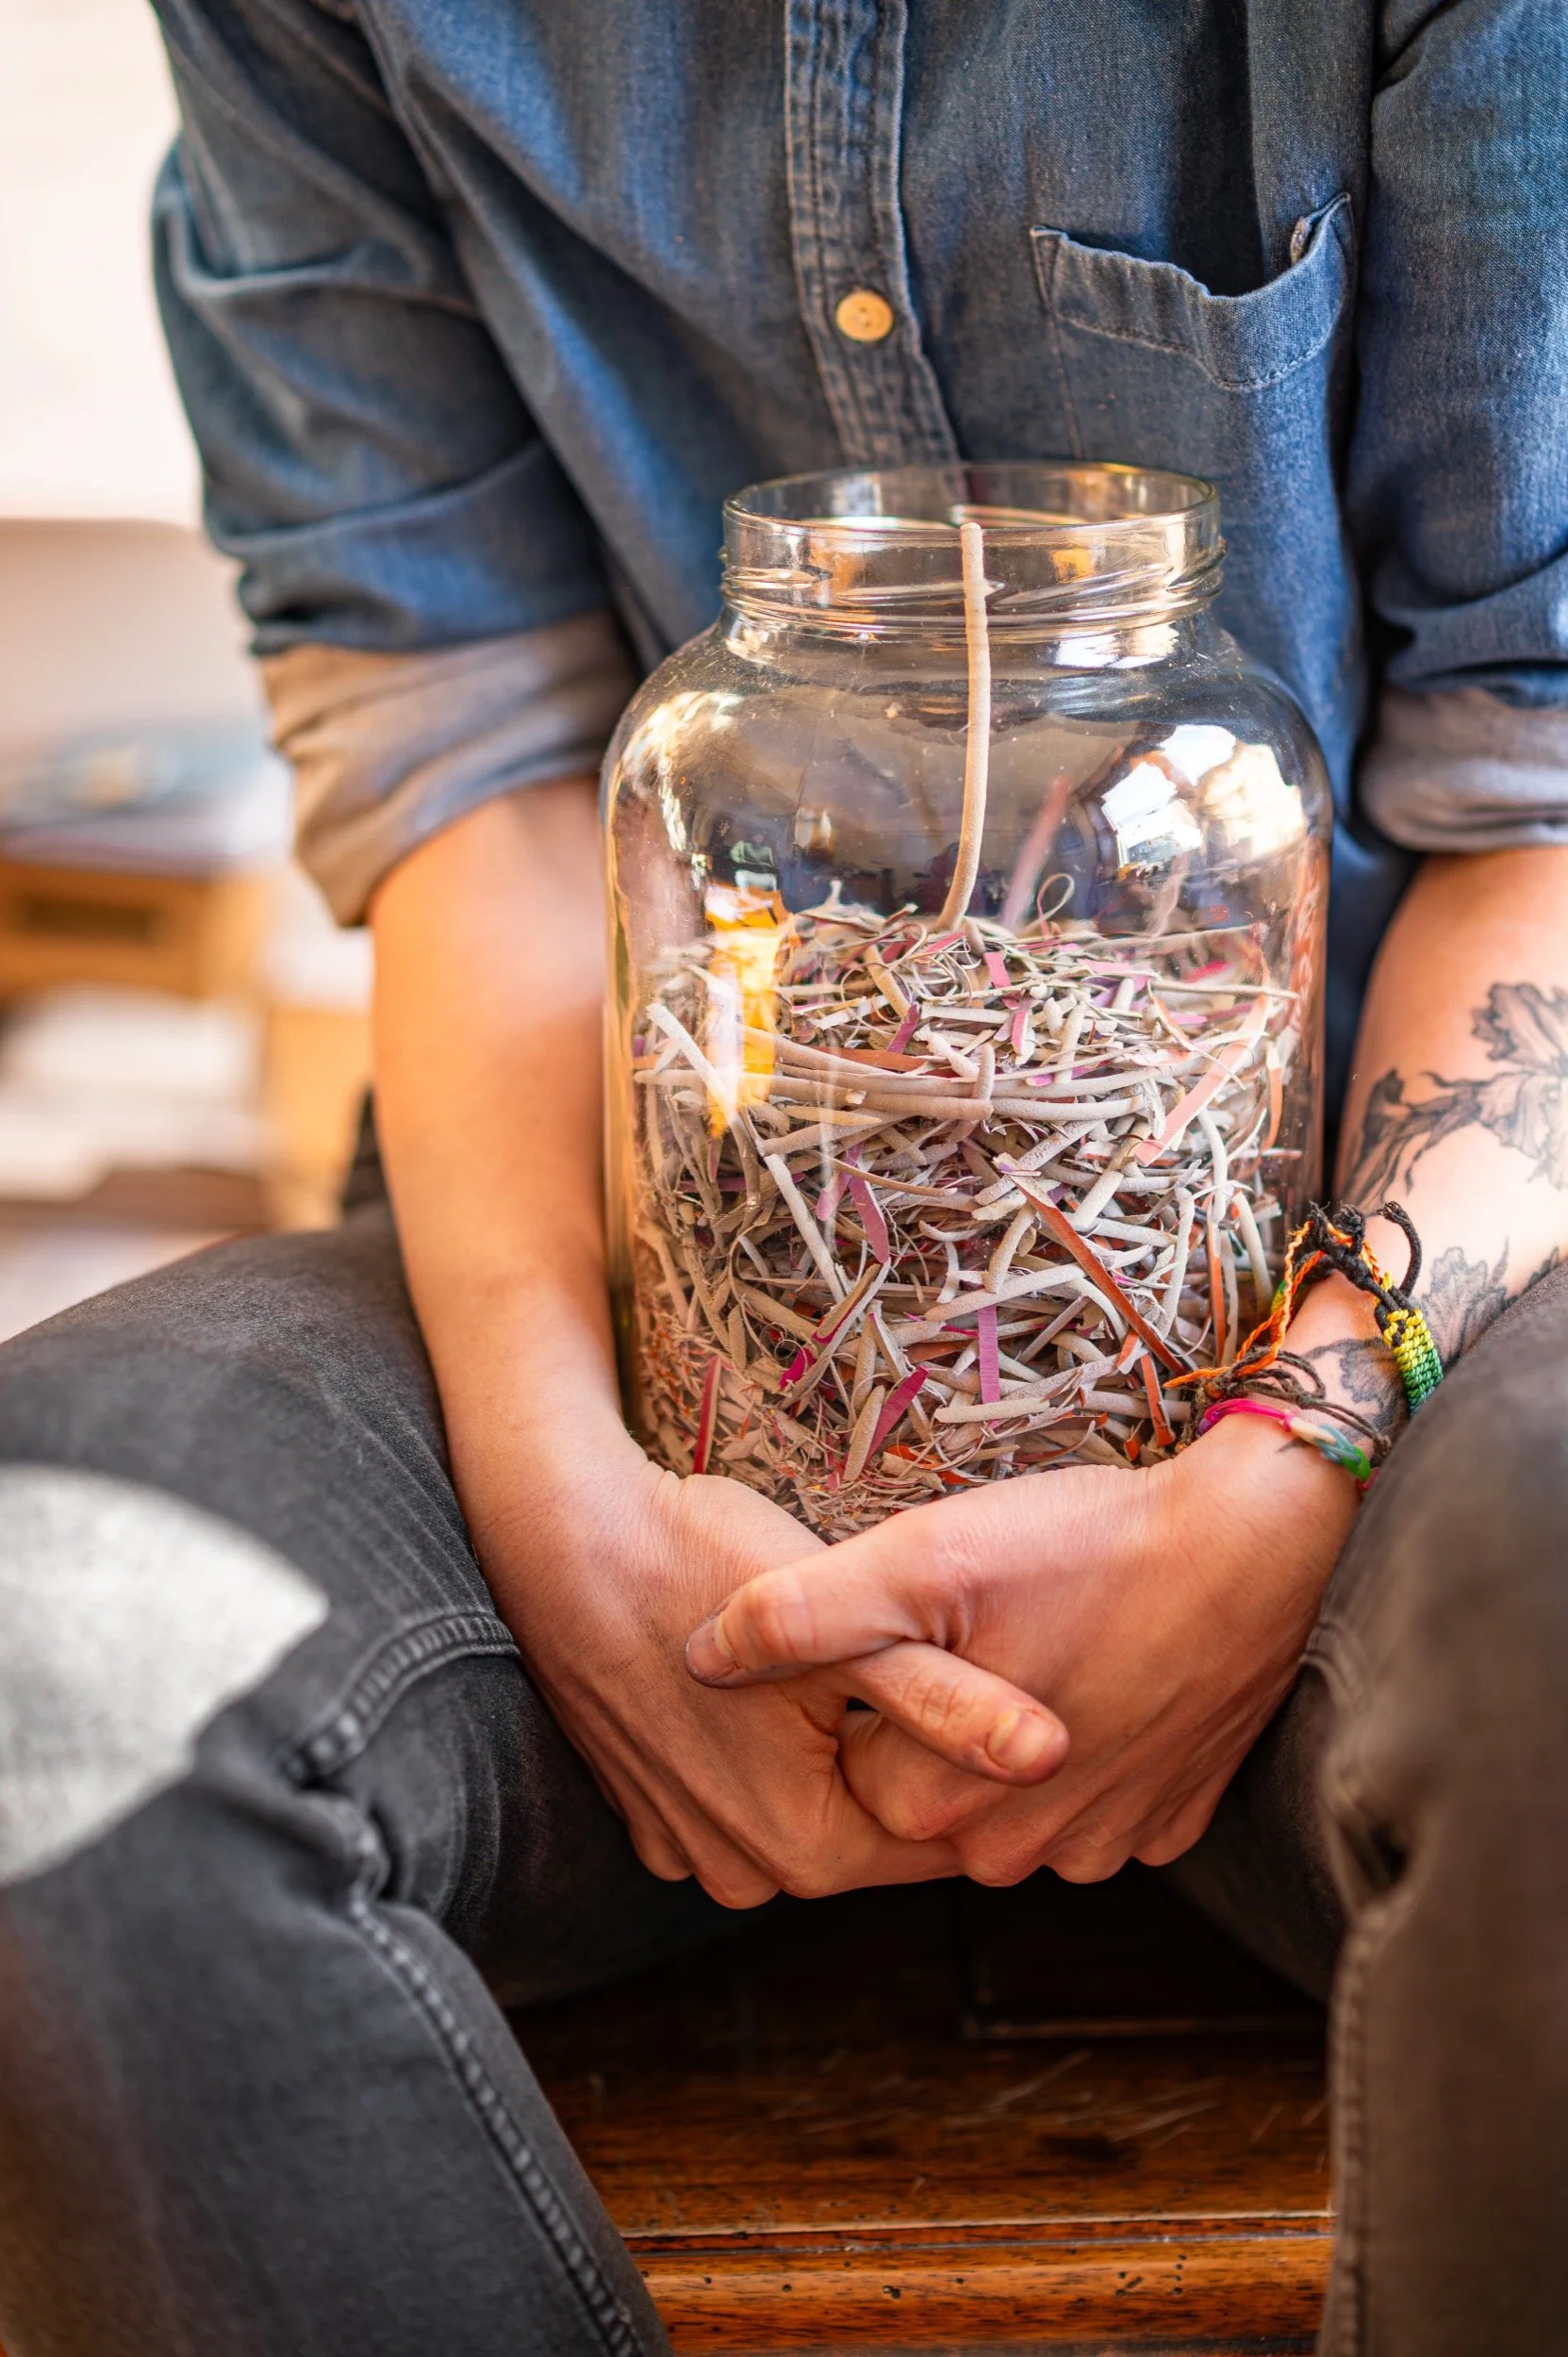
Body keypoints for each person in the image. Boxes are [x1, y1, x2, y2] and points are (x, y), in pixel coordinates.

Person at [1, 3, 1566, 2350]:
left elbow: (1539, 788)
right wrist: (569, 1498)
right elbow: (477, 765)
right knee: (53, 1616)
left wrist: (1287, 1462)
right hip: (628, 1265)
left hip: (1380, 1263)